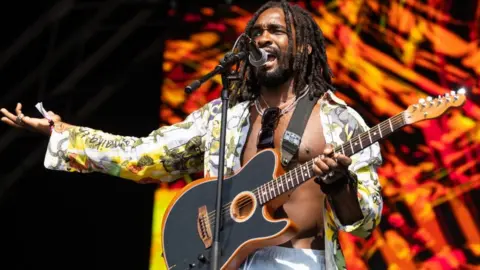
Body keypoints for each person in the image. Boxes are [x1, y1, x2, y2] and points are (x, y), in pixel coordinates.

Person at [1, 1, 383, 269]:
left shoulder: (341, 121)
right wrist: (63, 133)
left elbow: (364, 221)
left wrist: (338, 185)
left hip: (301, 261)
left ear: (304, 46)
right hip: (225, 260)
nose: (263, 37)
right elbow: (144, 154)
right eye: (256, 32)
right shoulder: (223, 116)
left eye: (276, 30)